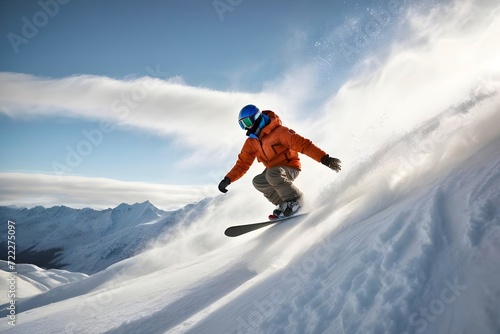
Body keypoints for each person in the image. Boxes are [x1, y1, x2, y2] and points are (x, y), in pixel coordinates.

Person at [218, 105, 341, 219]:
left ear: (256, 117)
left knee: (272, 173)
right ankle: (283, 204)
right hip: (273, 172)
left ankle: (296, 200)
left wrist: (324, 158)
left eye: (247, 122)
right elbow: (242, 164)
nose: (246, 127)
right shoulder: (251, 142)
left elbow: (303, 145)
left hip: (290, 167)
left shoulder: (279, 132)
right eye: (242, 124)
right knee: (258, 181)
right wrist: (228, 179)